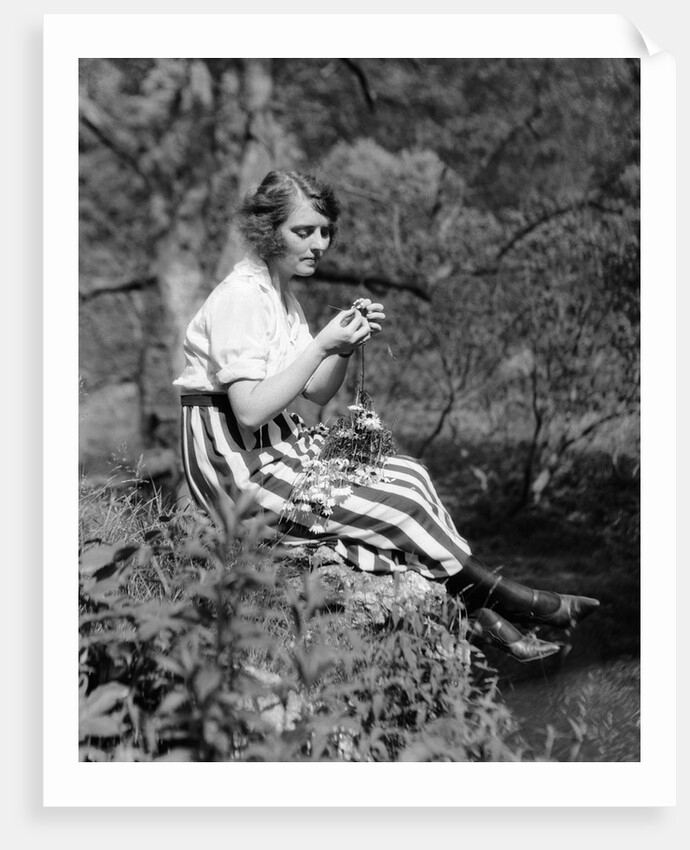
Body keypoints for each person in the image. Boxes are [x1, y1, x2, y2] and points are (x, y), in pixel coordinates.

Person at [173, 170, 599, 663]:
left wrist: (343, 347)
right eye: (303, 231)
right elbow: (248, 411)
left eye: (324, 231)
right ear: (270, 231)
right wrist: (323, 344)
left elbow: (314, 390)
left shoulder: (280, 294)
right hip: (237, 468)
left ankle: (485, 617)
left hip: (274, 445)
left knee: (410, 475)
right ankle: (517, 603)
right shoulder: (242, 297)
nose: (319, 244)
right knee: (397, 503)